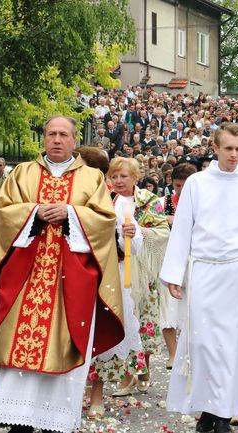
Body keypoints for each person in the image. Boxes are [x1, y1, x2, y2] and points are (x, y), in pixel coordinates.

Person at [0, 116, 125, 433]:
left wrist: (71, 213)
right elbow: (4, 212)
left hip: (71, 280)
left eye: (64, 134)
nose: (57, 140)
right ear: (44, 138)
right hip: (28, 276)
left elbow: (105, 222)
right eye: (52, 134)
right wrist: (34, 212)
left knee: (65, 344)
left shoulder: (91, 178)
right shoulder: (23, 173)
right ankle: (17, 421)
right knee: (17, 342)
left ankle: (55, 422)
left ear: (74, 140)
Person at [160, 123, 238, 433]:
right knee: (203, 344)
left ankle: (224, 413)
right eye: (229, 149)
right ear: (215, 148)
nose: (235, 155)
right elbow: (183, 227)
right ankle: (206, 411)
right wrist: (174, 273)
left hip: (235, 272)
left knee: (231, 345)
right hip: (202, 271)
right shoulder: (198, 183)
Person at [90, 157, 169, 398]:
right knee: (121, 321)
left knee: (143, 322)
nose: (118, 181)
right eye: (114, 176)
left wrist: (139, 232)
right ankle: (126, 374)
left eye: (124, 176)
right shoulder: (104, 201)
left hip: (142, 270)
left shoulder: (149, 202)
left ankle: (143, 371)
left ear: (135, 177)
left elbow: (163, 232)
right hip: (115, 268)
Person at [78, 148, 144, 421]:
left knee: (101, 335)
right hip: (75, 274)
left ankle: (96, 395)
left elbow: (131, 245)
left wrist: (132, 233)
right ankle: (72, 391)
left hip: (108, 276)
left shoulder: (117, 202)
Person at [161, 163, 197, 370]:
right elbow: (151, 224)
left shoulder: (202, 203)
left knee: (192, 307)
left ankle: (189, 349)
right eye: (177, 185)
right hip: (168, 259)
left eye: (185, 185)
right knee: (168, 309)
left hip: (194, 262)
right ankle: (173, 353)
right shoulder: (163, 202)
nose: (181, 190)